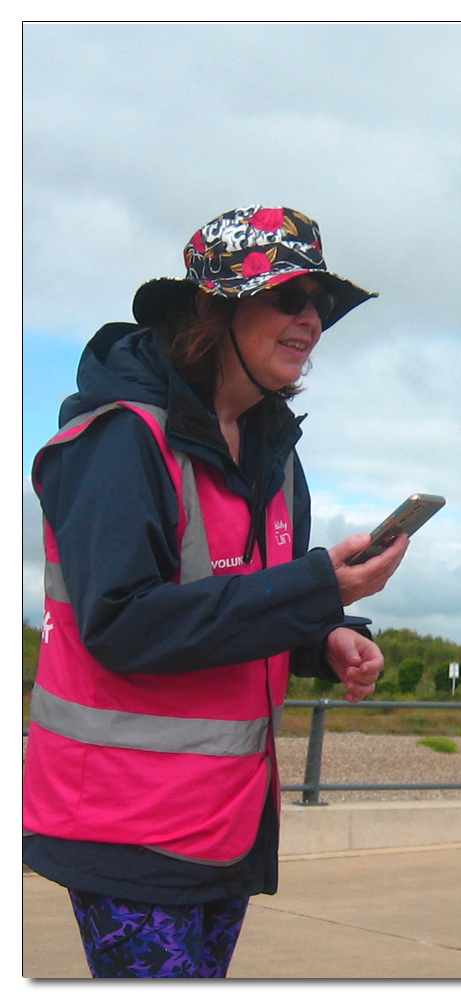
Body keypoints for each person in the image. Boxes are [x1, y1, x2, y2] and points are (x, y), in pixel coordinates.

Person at [23, 205, 410, 978]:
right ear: (213, 305)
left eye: (321, 305)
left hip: (224, 821)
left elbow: (235, 605)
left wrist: (324, 635)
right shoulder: (119, 439)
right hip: (125, 825)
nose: (311, 321)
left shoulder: (274, 454)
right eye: (288, 297)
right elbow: (124, 624)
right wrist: (311, 590)